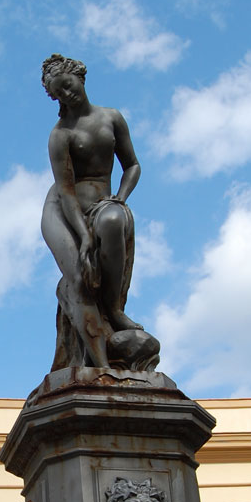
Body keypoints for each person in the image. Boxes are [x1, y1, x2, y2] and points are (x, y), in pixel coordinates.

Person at [40, 54, 160, 372]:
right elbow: (66, 191)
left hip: (103, 203)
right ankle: (101, 365)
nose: (67, 94)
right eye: (59, 93)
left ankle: (114, 309)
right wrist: (83, 237)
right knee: (80, 278)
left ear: (80, 77)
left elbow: (132, 165)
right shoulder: (60, 134)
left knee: (113, 219)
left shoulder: (111, 118)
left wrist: (120, 198)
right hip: (63, 210)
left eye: (68, 85)